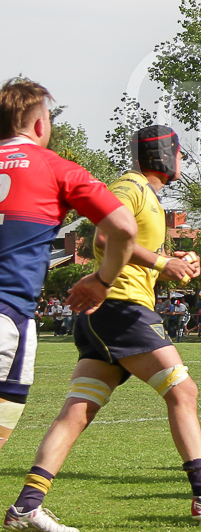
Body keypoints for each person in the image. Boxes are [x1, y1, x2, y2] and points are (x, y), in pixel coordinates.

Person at [5, 125, 201, 530]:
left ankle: (27, 507)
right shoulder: (131, 186)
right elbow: (105, 238)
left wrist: (176, 261)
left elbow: (130, 250)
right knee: (183, 390)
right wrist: (163, 263)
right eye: (178, 154)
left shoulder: (151, 199)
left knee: (77, 410)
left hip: (105, 317)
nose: (181, 162)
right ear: (165, 155)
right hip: (121, 311)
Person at [0, 78, 139, 469]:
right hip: (6, 311)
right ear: (41, 125)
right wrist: (102, 280)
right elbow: (124, 228)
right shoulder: (55, 167)